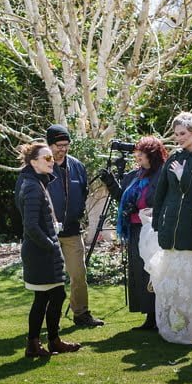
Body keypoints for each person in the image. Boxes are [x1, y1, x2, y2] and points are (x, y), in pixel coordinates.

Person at [149, 112, 192, 344]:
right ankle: (169, 327)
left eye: (183, 133)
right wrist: (158, 220)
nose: (178, 138)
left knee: (190, 287)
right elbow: (161, 192)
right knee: (169, 285)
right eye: (176, 134)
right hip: (170, 229)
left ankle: (191, 330)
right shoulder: (173, 157)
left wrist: (183, 176)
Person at [15, 142, 83, 357]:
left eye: (51, 157)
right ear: (33, 162)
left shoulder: (36, 182)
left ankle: (47, 342)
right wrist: (51, 245)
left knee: (52, 296)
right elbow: (30, 226)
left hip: (42, 250)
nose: (51, 161)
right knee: (48, 297)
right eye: (46, 158)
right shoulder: (32, 186)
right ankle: (41, 343)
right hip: (40, 252)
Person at [101, 136, 167, 331]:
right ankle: (149, 316)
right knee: (139, 271)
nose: (137, 157)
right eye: (137, 154)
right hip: (136, 229)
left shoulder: (162, 174)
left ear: (152, 155)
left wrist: (148, 210)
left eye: (141, 154)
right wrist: (110, 182)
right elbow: (122, 197)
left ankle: (159, 315)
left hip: (154, 229)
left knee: (153, 271)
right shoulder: (135, 175)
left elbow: (166, 199)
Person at [45, 124, 105, 327]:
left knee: (78, 275)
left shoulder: (77, 166)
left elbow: (83, 193)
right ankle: (49, 318)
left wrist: (78, 214)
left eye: (66, 145)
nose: (63, 149)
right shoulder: (41, 166)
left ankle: (81, 314)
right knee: (50, 278)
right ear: (49, 144)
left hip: (72, 230)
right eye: (58, 145)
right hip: (48, 232)